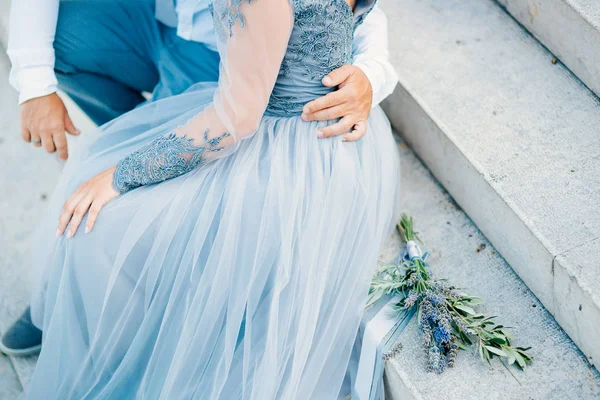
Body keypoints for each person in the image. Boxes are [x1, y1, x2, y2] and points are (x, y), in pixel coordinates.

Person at [1, 0, 398, 359]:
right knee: (110, 167)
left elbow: (236, 117)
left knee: (110, 208)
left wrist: (370, 72)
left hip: (243, 86)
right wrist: (34, 85)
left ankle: (110, 294)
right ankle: (139, 135)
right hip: (175, 29)